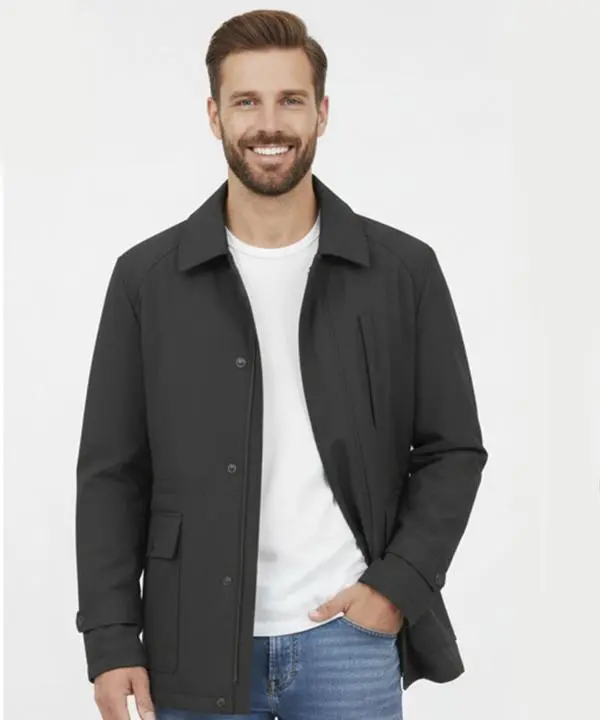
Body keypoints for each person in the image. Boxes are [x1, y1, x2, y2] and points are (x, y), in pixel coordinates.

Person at [75, 9, 488, 720]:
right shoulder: (147, 280)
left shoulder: (402, 271)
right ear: (215, 115)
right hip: (190, 643)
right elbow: (112, 474)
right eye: (247, 101)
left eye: (290, 100)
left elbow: (453, 449)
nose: (270, 124)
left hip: (349, 639)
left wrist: (396, 586)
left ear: (322, 112)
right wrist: (111, 641)